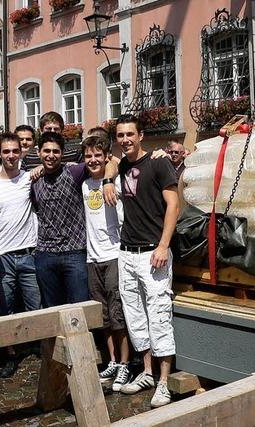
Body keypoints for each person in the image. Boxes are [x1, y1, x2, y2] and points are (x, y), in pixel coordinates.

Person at [113, 114, 180, 408]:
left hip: (153, 252)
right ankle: (147, 372)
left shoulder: (159, 162)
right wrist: (105, 178)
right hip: (127, 252)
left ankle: (164, 382)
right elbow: (101, 161)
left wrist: (164, 245)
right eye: (120, 135)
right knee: (135, 316)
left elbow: (174, 205)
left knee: (159, 315)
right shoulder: (123, 164)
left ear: (141, 135)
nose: (125, 139)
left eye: (130, 134)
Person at [0, 132, 41, 377]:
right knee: (4, 309)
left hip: (29, 253)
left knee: (35, 306)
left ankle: (40, 350)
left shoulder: (29, 178)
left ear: (21, 152)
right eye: (6, 151)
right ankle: (10, 355)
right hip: (3, 256)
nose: (11, 156)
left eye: (15, 151)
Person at [81, 136, 131, 392]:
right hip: (93, 257)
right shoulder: (84, 185)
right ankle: (112, 360)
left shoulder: (116, 180)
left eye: (97, 156)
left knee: (117, 312)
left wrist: (110, 175)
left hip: (113, 255)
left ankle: (125, 363)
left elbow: (119, 162)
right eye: (88, 156)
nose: (93, 160)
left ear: (106, 157)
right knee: (103, 315)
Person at [31, 132, 101, 307]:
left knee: (80, 309)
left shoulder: (74, 172)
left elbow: (108, 163)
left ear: (62, 153)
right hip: (45, 254)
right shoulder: (33, 181)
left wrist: (107, 181)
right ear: (39, 152)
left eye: (56, 151)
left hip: (74, 252)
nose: (51, 155)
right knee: (53, 312)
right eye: (46, 151)